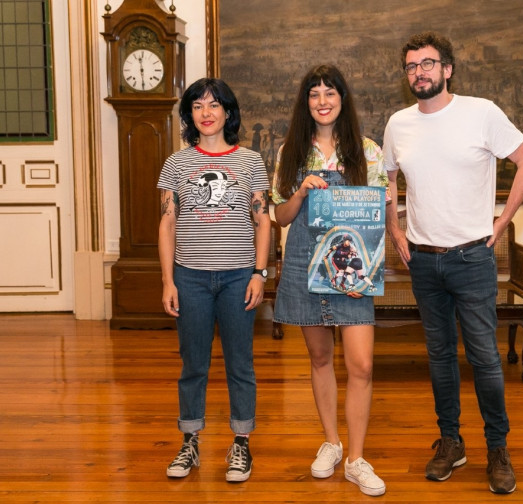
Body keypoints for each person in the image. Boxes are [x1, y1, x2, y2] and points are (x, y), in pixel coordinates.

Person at [382, 32, 523, 494]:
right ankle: (451, 442)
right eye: (412, 66)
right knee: (438, 358)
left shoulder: (481, 113)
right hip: (423, 261)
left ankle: (498, 448)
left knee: (485, 359)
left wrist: (502, 222)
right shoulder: (398, 123)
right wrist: (395, 229)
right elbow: (387, 179)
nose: (420, 72)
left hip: (472, 257)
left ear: (447, 69)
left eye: (428, 64)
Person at [272, 64, 389, 497]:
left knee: (361, 364)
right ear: (307, 103)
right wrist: (302, 190)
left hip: (353, 268)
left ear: (343, 100)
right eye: (314, 94)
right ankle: (332, 443)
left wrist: (370, 270)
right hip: (304, 261)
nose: (322, 101)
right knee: (320, 360)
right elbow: (280, 216)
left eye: (330, 93)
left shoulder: (368, 151)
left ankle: (357, 459)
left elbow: (376, 219)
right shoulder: (291, 151)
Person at [157, 77, 271, 482]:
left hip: (240, 277)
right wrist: (168, 281)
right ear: (189, 114)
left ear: (227, 112)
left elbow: (263, 220)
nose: (206, 113)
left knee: (241, 363)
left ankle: (241, 444)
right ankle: (190, 442)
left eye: (214, 105)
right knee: (194, 364)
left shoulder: (251, 162)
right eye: (198, 106)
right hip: (190, 280)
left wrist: (260, 273)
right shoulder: (177, 163)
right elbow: (168, 223)